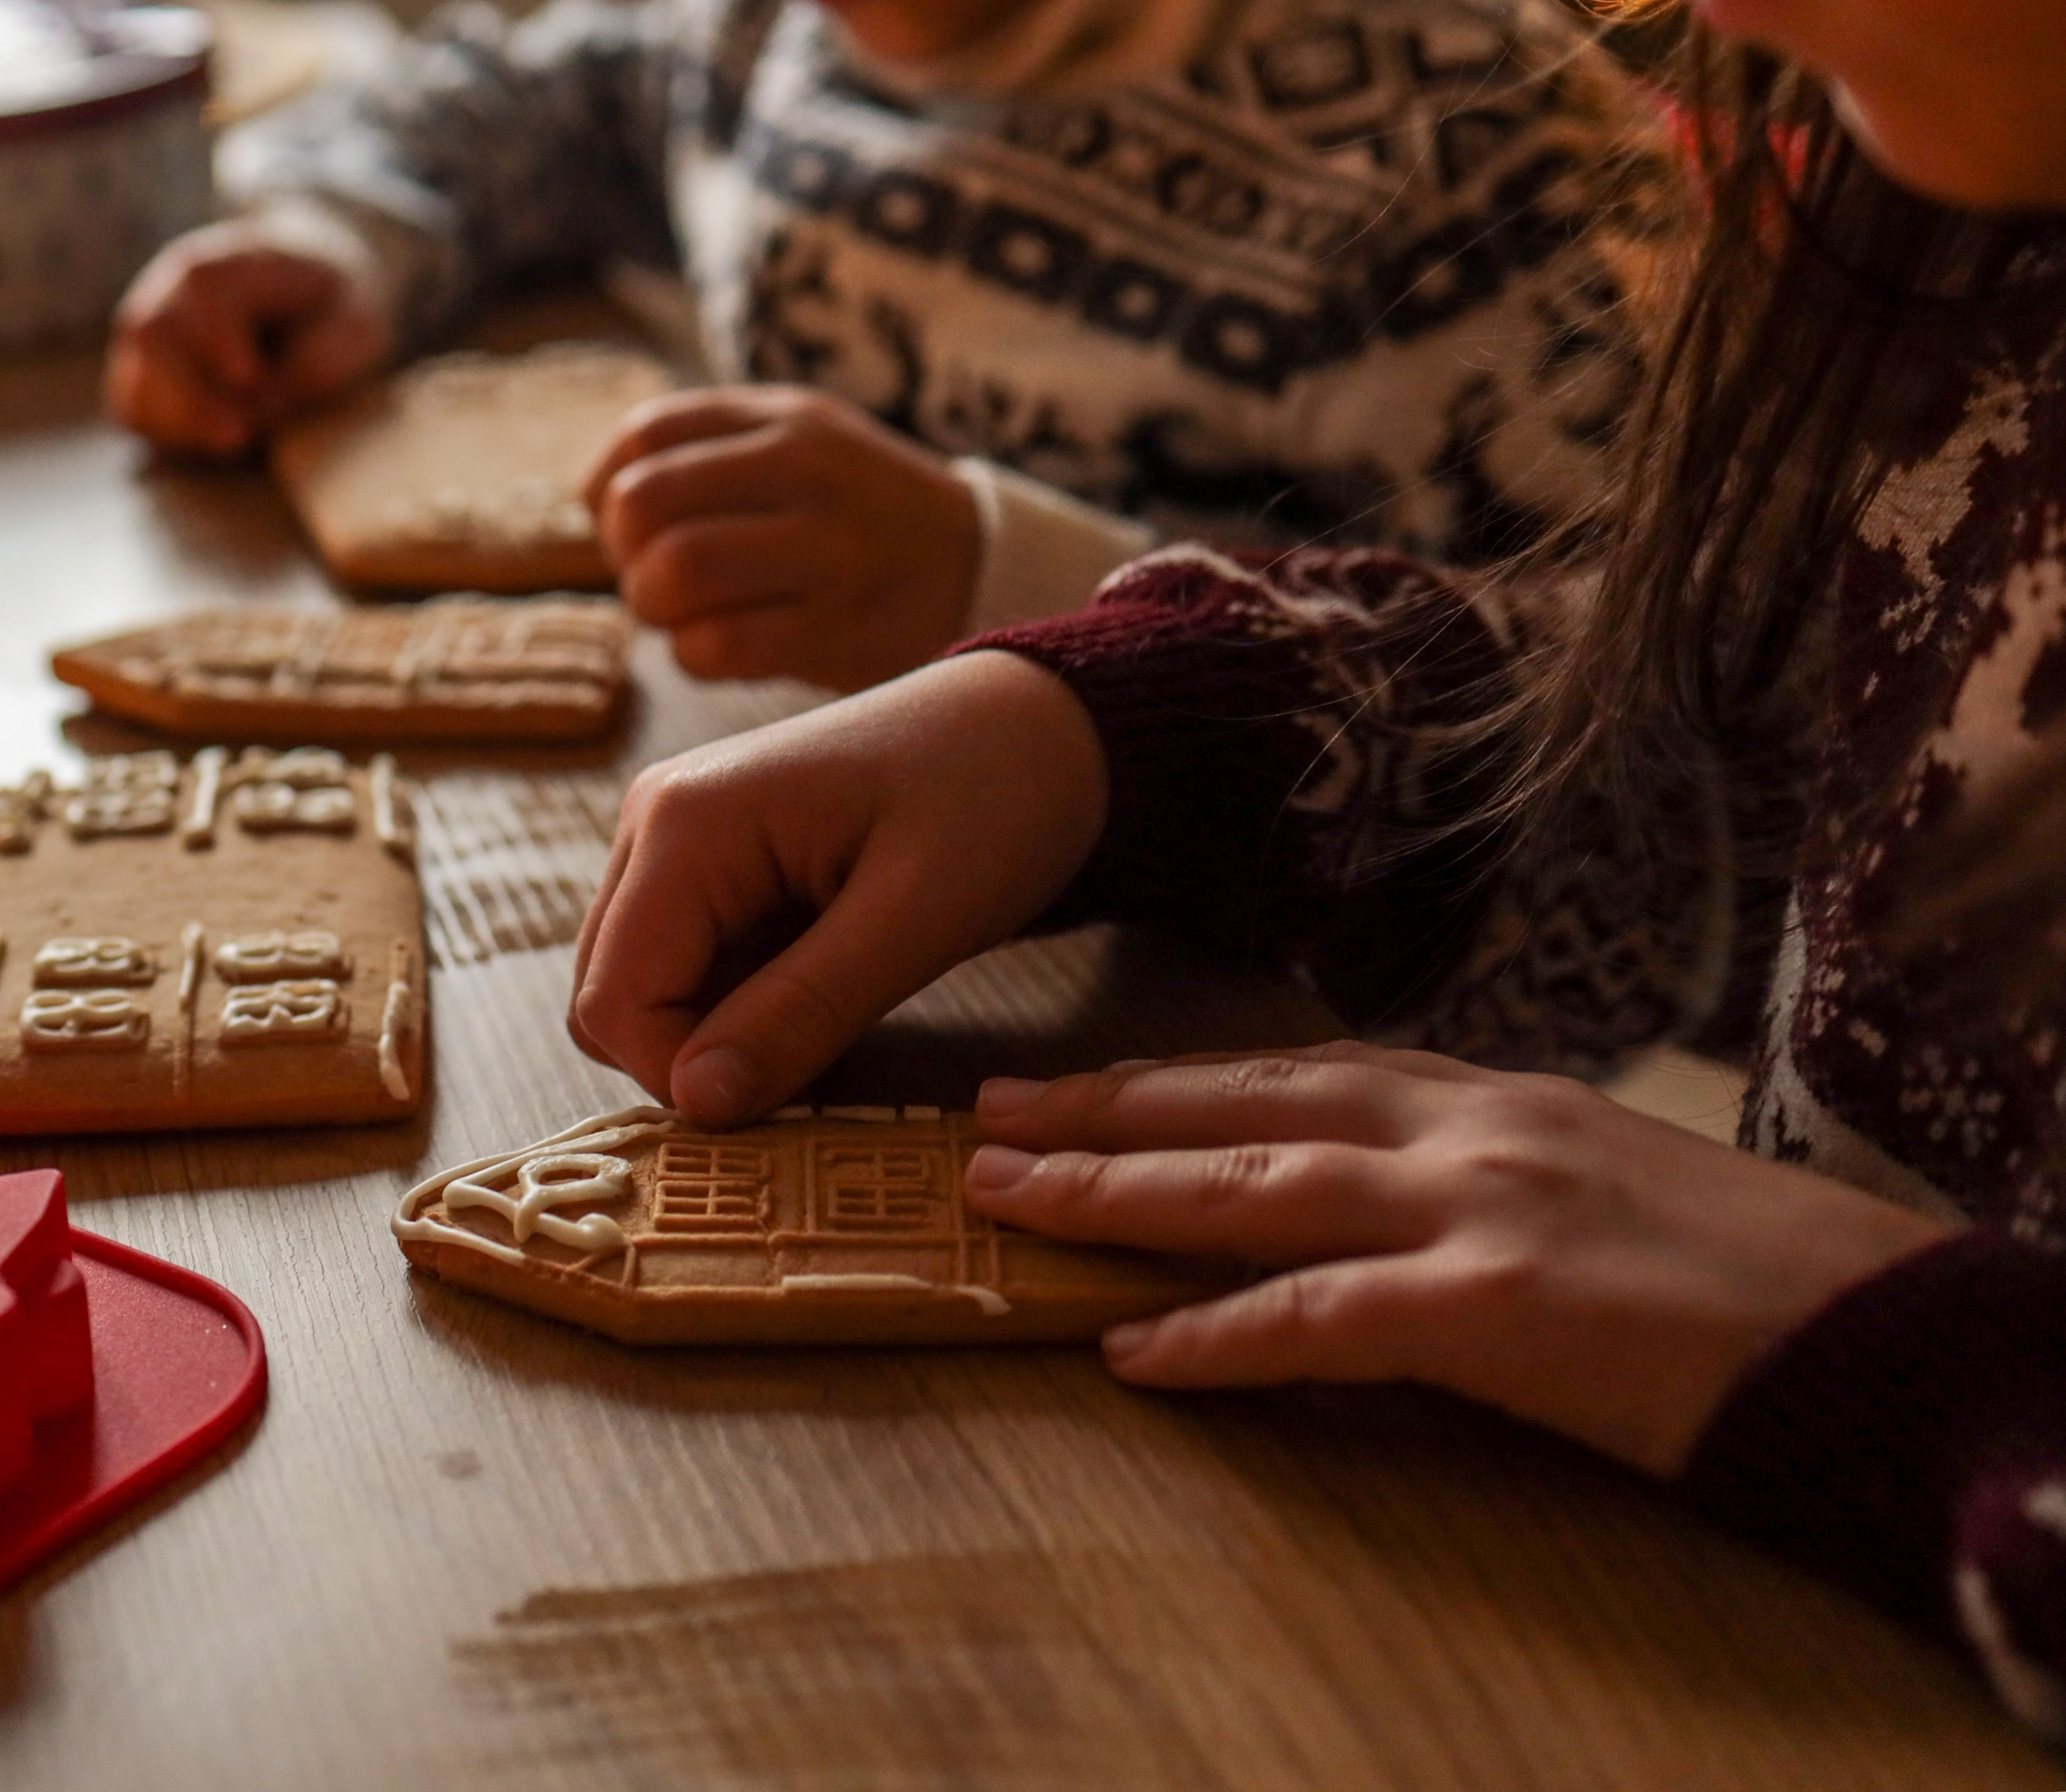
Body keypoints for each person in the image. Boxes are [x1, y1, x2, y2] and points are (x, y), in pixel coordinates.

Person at [566, 0, 2066, 1734]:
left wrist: (1921, 1365)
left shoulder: (1469, 134)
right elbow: (1780, 781)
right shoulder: (1949, 220)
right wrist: (1155, 731)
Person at [109, 0, 1641, 691]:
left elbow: (1624, 708)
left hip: (1226, 1019)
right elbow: (527, 106)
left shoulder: (1440, 149)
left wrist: (1007, 588)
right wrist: (340, 244)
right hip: (799, 838)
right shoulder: (766, 34)